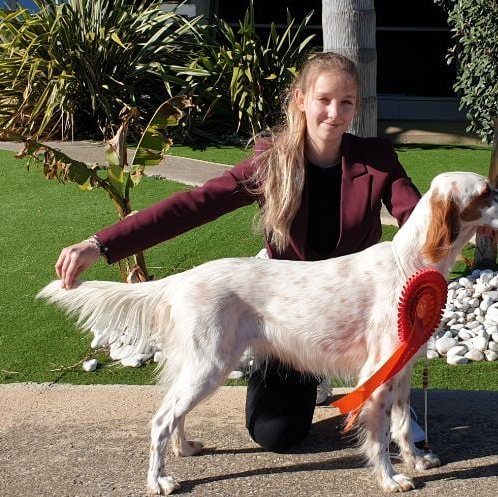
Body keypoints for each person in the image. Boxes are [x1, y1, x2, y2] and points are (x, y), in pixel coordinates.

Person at [53, 52, 424, 452]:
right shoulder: (270, 161)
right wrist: (101, 243)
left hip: (351, 313)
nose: (334, 113)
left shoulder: (378, 160)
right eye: (324, 99)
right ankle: (314, 380)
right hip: (285, 317)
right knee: (276, 433)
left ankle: (390, 398)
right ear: (301, 99)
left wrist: (463, 222)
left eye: (346, 102)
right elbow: (194, 205)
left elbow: (420, 222)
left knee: (374, 372)